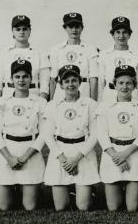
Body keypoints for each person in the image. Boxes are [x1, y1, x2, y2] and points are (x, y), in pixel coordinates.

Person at [0, 60, 47, 210]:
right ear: (11, 79)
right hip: (7, 152)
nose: (21, 80)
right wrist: (9, 158)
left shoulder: (40, 102)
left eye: (25, 76)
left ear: (31, 79)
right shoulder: (2, 101)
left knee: (29, 206)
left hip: (30, 152)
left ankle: (23, 187)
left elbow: (44, 134)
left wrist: (26, 157)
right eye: (17, 76)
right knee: (3, 206)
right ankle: (13, 187)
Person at [43, 64, 99, 211]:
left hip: (82, 153)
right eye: (66, 81)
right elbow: (48, 136)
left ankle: (87, 192)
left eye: (74, 80)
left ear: (80, 82)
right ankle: (72, 190)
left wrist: (76, 159)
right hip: (60, 153)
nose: (70, 84)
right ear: (60, 85)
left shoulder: (90, 104)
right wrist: (64, 161)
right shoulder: (52, 105)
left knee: (83, 206)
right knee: (60, 207)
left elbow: (94, 135)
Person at [96, 65, 138, 211]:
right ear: (114, 84)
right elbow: (101, 134)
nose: (124, 87)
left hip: (134, 153)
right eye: (121, 83)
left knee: (132, 207)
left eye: (129, 83)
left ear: (134, 85)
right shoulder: (105, 106)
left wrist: (125, 154)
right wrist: (116, 157)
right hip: (112, 154)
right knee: (113, 207)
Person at [0, 15, 50, 102]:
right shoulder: (3, 53)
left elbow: (44, 85)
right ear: (12, 31)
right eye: (18, 29)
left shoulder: (40, 53)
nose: (21, 32)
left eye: (25, 29)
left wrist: (41, 105)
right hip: (8, 96)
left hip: (33, 96)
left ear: (30, 31)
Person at [49, 12, 99, 101]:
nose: (74, 29)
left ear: (82, 28)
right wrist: (51, 102)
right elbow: (53, 80)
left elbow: (93, 79)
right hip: (62, 91)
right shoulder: (56, 49)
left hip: (83, 89)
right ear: (65, 28)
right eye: (70, 27)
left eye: (77, 26)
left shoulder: (91, 49)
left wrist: (93, 102)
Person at [98, 16, 138, 103]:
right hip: (109, 94)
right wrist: (99, 102)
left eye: (124, 32)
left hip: (131, 95)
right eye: (118, 32)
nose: (121, 36)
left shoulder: (137, 55)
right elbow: (101, 82)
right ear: (112, 34)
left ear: (129, 35)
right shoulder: (104, 54)